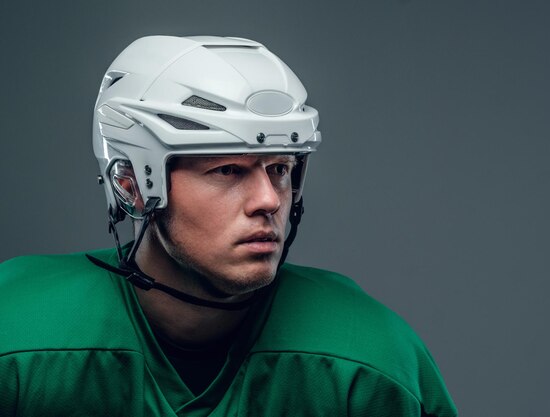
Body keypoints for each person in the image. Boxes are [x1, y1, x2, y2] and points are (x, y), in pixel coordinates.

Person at [0, 35, 457, 416]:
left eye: (279, 169)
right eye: (228, 170)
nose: (268, 201)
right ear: (132, 184)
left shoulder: (370, 361)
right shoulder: (17, 337)